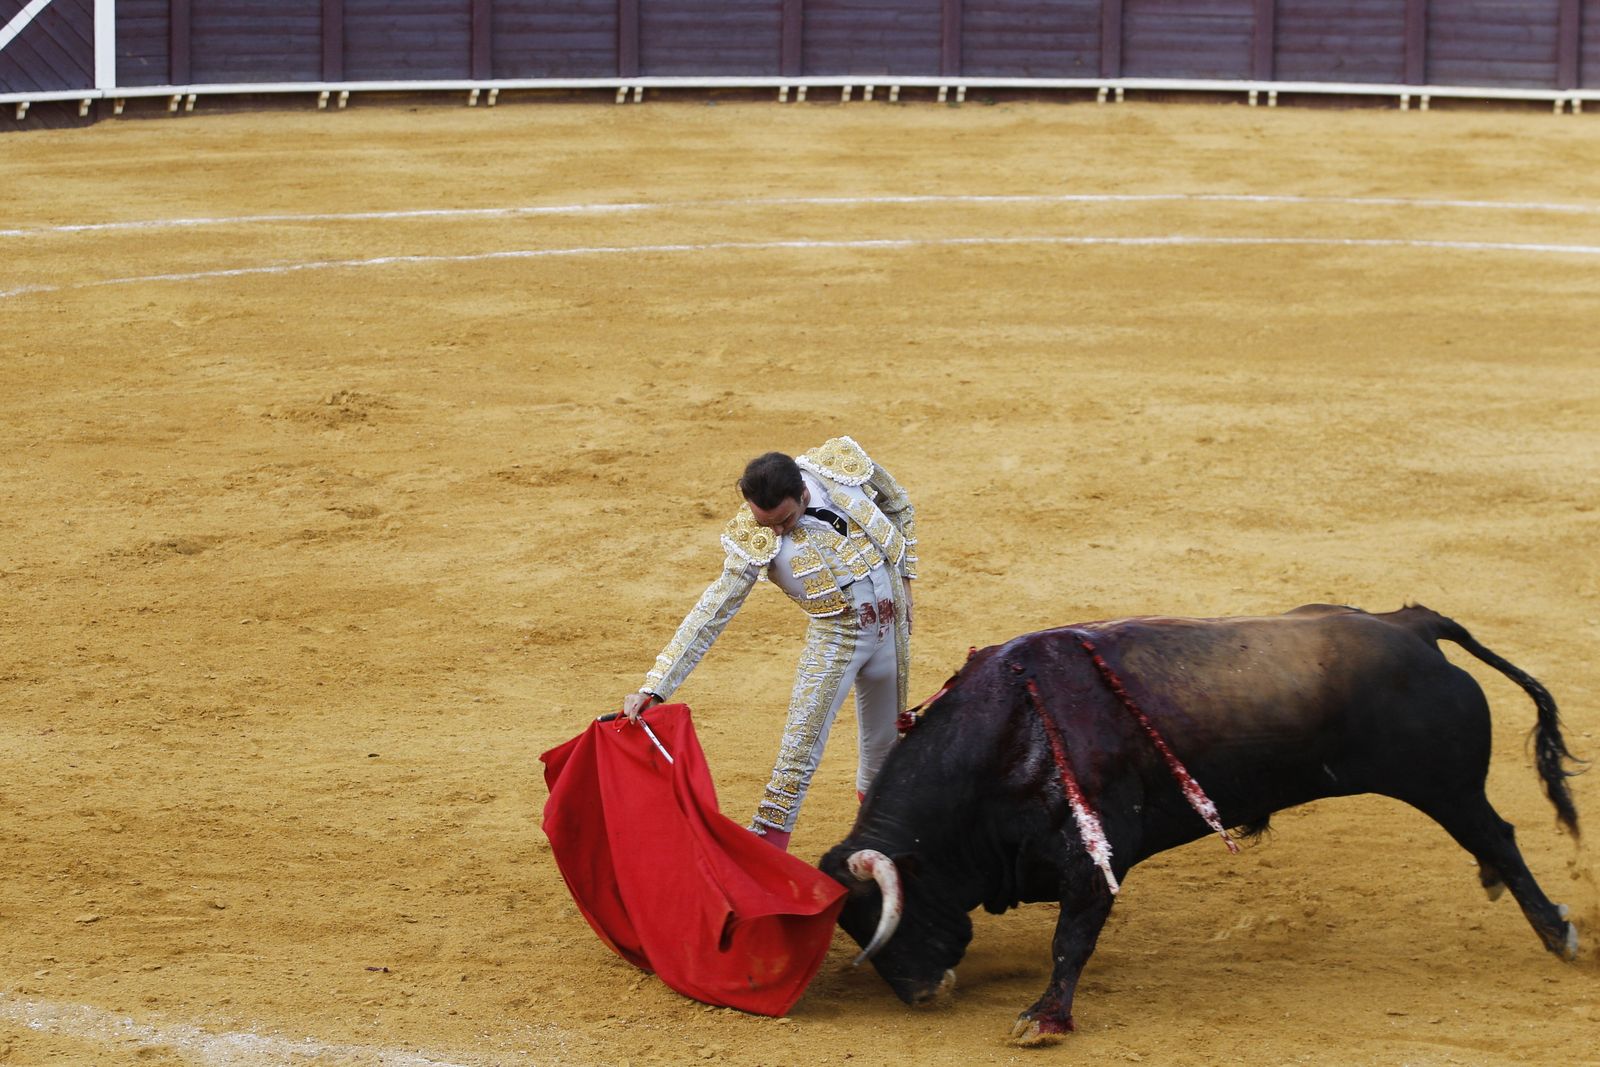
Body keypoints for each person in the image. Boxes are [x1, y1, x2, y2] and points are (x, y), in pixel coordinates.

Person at [620, 436, 918, 851]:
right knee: (795, 761)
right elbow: (712, 611)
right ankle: (765, 853)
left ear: (802, 491)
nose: (778, 531)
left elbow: (899, 503)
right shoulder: (753, 537)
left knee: (885, 751)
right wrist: (655, 685)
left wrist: (905, 578)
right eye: (767, 524)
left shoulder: (840, 469)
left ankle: (881, 841)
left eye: (785, 519)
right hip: (837, 642)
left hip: (891, 636)